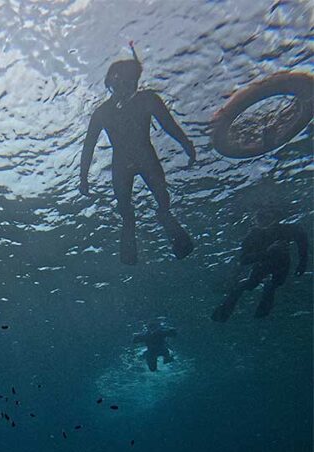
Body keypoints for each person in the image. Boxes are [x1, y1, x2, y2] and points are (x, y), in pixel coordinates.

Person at [79, 43, 196, 265]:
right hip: (129, 161)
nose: (124, 86)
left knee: (161, 201)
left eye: (128, 81)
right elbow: (88, 146)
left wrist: (186, 143)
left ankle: (160, 217)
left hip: (141, 158)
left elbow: (169, 125)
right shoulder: (104, 112)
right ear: (110, 84)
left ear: (135, 82)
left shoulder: (146, 100)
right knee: (126, 208)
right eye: (119, 81)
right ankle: (138, 222)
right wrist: (83, 177)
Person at [211, 219, 308, 322]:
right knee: (253, 284)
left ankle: (260, 307)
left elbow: (302, 239)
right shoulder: (253, 235)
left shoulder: (285, 229)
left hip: (277, 265)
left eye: (268, 214)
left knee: (270, 284)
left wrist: (302, 262)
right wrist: (269, 252)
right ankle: (231, 310)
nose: (265, 219)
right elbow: (244, 259)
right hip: (266, 264)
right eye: (261, 216)